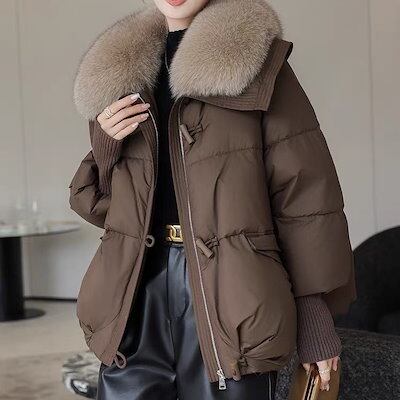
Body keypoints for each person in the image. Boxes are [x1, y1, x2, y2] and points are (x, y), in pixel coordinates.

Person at [70, 0, 356, 398]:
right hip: (136, 293)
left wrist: (313, 314)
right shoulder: (118, 77)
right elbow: (102, 205)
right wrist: (105, 148)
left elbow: (305, 199)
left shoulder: (258, 65)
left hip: (233, 296)